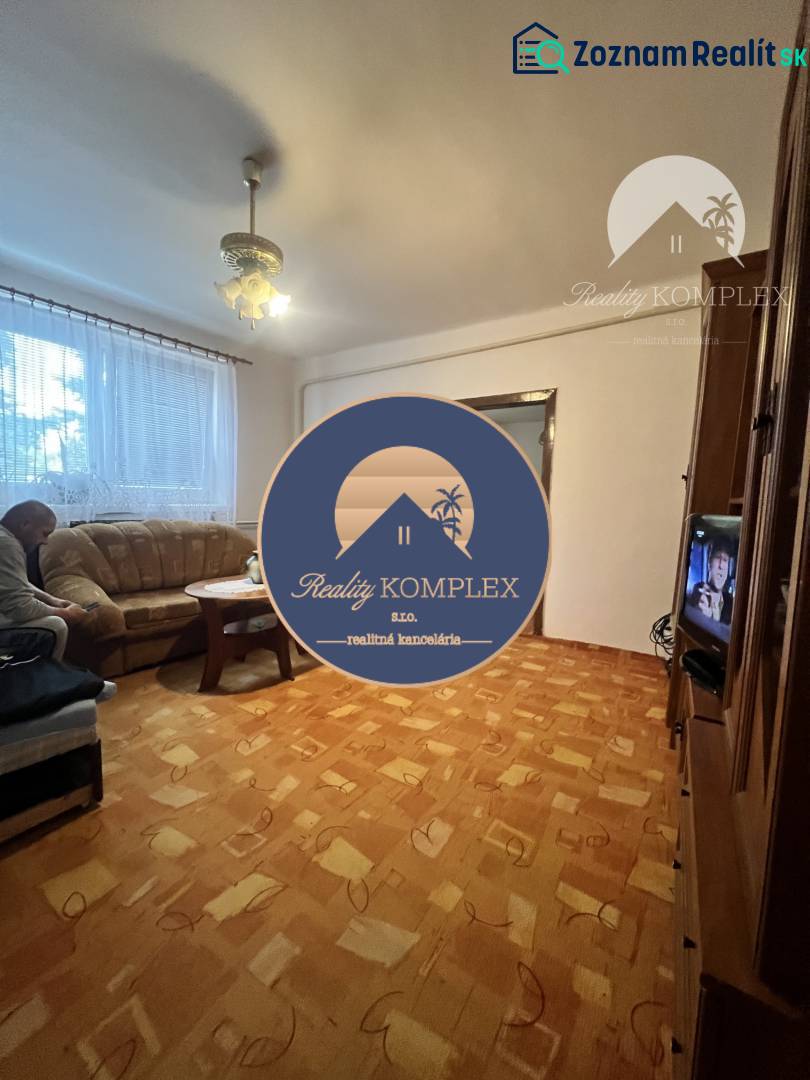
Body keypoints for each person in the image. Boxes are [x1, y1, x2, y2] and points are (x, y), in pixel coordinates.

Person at [0, 500, 86, 661]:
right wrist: (66, 614)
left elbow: (17, 583)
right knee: (55, 626)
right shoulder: (7, 545)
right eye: (44, 533)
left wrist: (53, 600)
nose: (45, 542)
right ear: (25, 524)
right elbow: (21, 607)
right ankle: (46, 680)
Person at [690, 534, 734, 626]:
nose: (721, 565)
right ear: (709, 563)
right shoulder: (697, 593)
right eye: (718, 557)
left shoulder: (731, 604)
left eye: (725, 560)